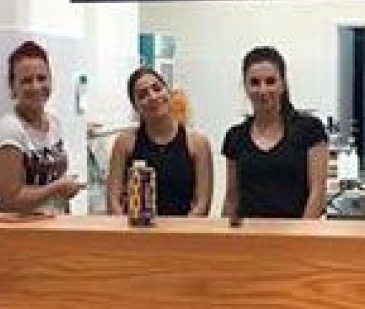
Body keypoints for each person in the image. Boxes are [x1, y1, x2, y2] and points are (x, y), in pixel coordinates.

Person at [222, 46, 328, 219]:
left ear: (283, 84)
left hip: (297, 232)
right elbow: (232, 198)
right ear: (245, 87)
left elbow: (317, 193)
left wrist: (301, 232)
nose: (263, 90)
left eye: (270, 81)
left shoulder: (310, 130)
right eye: (255, 82)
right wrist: (224, 233)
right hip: (247, 233)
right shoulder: (235, 137)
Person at [0, 40, 84, 214]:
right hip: (27, 229)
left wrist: (65, 188)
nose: (36, 86)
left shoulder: (54, 123)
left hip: (56, 224)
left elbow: (54, 181)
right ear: (12, 87)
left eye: (42, 78)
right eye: (26, 81)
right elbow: (6, 201)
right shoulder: (10, 129)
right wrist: (57, 188)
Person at [106, 67, 213, 217]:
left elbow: (202, 203)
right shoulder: (124, 143)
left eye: (157, 89)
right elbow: (113, 200)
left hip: (184, 228)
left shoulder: (198, 143)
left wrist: (180, 230)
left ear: (168, 92)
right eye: (143, 95)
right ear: (135, 107)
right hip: (136, 228)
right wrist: (127, 228)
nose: (152, 97)